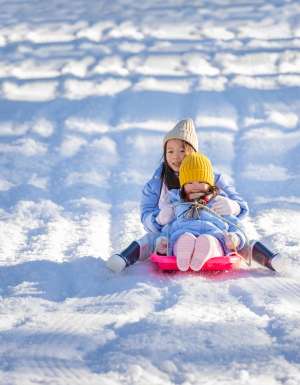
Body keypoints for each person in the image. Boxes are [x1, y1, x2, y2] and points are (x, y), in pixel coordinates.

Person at [106, 118, 277, 272]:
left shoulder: (212, 178)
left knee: (240, 241)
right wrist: (158, 220)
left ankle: (271, 260)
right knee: (150, 240)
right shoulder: (156, 184)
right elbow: (145, 215)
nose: (176, 157)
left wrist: (233, 206)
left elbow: (241, 207)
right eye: (170, 151)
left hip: (213, 227)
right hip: (170, 229)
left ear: (193, 152)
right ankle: (124, 258)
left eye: (182, 150)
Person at [164, 152, 246, 271]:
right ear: (182, 185)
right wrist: (162, 241)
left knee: (210, 240)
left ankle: (207, 249)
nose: (195, 186)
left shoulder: (219, 203)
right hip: (183, 233)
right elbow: (169, 226)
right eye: (190, 182)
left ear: (209, 184)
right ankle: (183, 252)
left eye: (201, 181)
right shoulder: (178, 204)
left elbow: (235, 224)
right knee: (183, 238)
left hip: (215, 237)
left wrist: (236, 238)